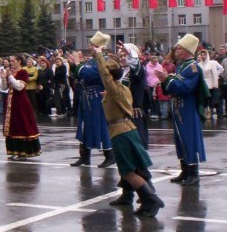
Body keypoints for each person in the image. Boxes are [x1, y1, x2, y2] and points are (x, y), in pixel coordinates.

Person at [92, 44, 164, 217]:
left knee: (129, 169)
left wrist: (100, 55)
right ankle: (134, 196)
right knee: (130, 167)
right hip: (127, 126)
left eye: (126, 55)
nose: (123, 57)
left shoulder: (131, 75)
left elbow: (107, 74)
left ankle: (151, 198)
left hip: (123, 128)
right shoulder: (123, 84)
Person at [155, 34, 209, 186]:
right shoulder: (181, 66)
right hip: (179, 107)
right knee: (180, 139)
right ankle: (184, 170)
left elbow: (185, 88)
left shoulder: (193, 68)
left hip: (188, 107)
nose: (176, 50)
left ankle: (193, 173)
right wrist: (165, 80)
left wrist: (168, 79)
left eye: (179, 48)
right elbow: (174, 85)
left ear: (187, 50)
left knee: (189, 139)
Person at [68, 32, 114, 168]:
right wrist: (73, 65)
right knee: (84, 126)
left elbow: (91, 74)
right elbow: (80, 74)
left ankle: (110, 155)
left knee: (100, 126)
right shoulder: (92, 60)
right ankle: (85, 156)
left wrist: (78, 64)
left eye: (93, 45)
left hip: (97, 97)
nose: (90, 47)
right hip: (87, 96)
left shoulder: (103, 59)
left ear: (100, 47)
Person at [2, 54, 42, 160]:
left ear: (19, 61)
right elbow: (4, 87)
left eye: (13, 61)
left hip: (20, 102)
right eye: (10, 61)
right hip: (11, 101)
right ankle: (14, 150)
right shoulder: (11, 72)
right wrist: (3, 78)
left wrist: (10, 76)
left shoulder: (23, 72)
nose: (11, 63)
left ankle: (23, 152)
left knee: (21, 124)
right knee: (13, 126)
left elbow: (19, 87)